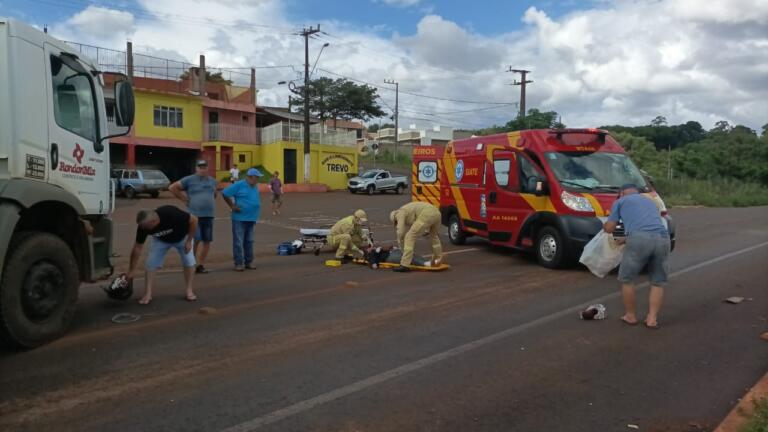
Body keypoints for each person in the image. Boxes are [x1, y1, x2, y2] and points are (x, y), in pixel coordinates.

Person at [603, 184, 670, 329]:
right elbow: (648, 226)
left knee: (627, 279)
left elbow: (610, 228)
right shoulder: (650, 201)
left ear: (622, 193)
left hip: (639, 240)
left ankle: (630, 315)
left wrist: (604, 226)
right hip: (663, 239)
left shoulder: (620, 201)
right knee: (657, 281)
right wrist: (626, 239)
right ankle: (652, 319)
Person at [127, 206, 198, 304]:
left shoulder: (171, 214)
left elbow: (194, 220)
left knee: (189, 261)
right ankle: (148, 293)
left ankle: (189, 290)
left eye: (145, 227)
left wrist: (189, 241)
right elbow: (137, 247)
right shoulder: (143, 226)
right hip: (161, 240)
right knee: (150, 263)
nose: (142, 229)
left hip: (183, 238)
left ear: (154, 222)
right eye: (141, 226)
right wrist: (131, 271)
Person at [169, 160, 218, 274]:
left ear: (207, 168)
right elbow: (172, 188)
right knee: (195, 240)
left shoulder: (213, 181)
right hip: (194, 216)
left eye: (204, 167)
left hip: (209, 215)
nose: (202, 169)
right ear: (196, 168)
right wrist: (183, 199)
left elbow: (214, 194)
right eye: (200, 167)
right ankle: (191, 264)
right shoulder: (189, 180)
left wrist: (208, 200)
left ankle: (200, 265)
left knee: (207, 240)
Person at [222, 168, 263, 271]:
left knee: (249, 241)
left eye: (258, 177)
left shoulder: (255, 186)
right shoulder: (239, 185)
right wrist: (232, 206)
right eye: (256, 177)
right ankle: (238, 263)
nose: (257, 179)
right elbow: (225, 193)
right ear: (250, 177)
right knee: (238, 241)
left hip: (251, 218)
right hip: (239, 218)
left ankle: (249, 262)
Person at [390, 201, 442, 273]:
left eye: (396, 223)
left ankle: (405, 265)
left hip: (427, 214)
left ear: (394, 219)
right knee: (434, 236)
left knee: (409, 236)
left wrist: (400, 243)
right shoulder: (406, 210)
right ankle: (438, 258)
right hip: (437, 213)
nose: (396, 224)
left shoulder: (399, 213)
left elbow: (400, 231)